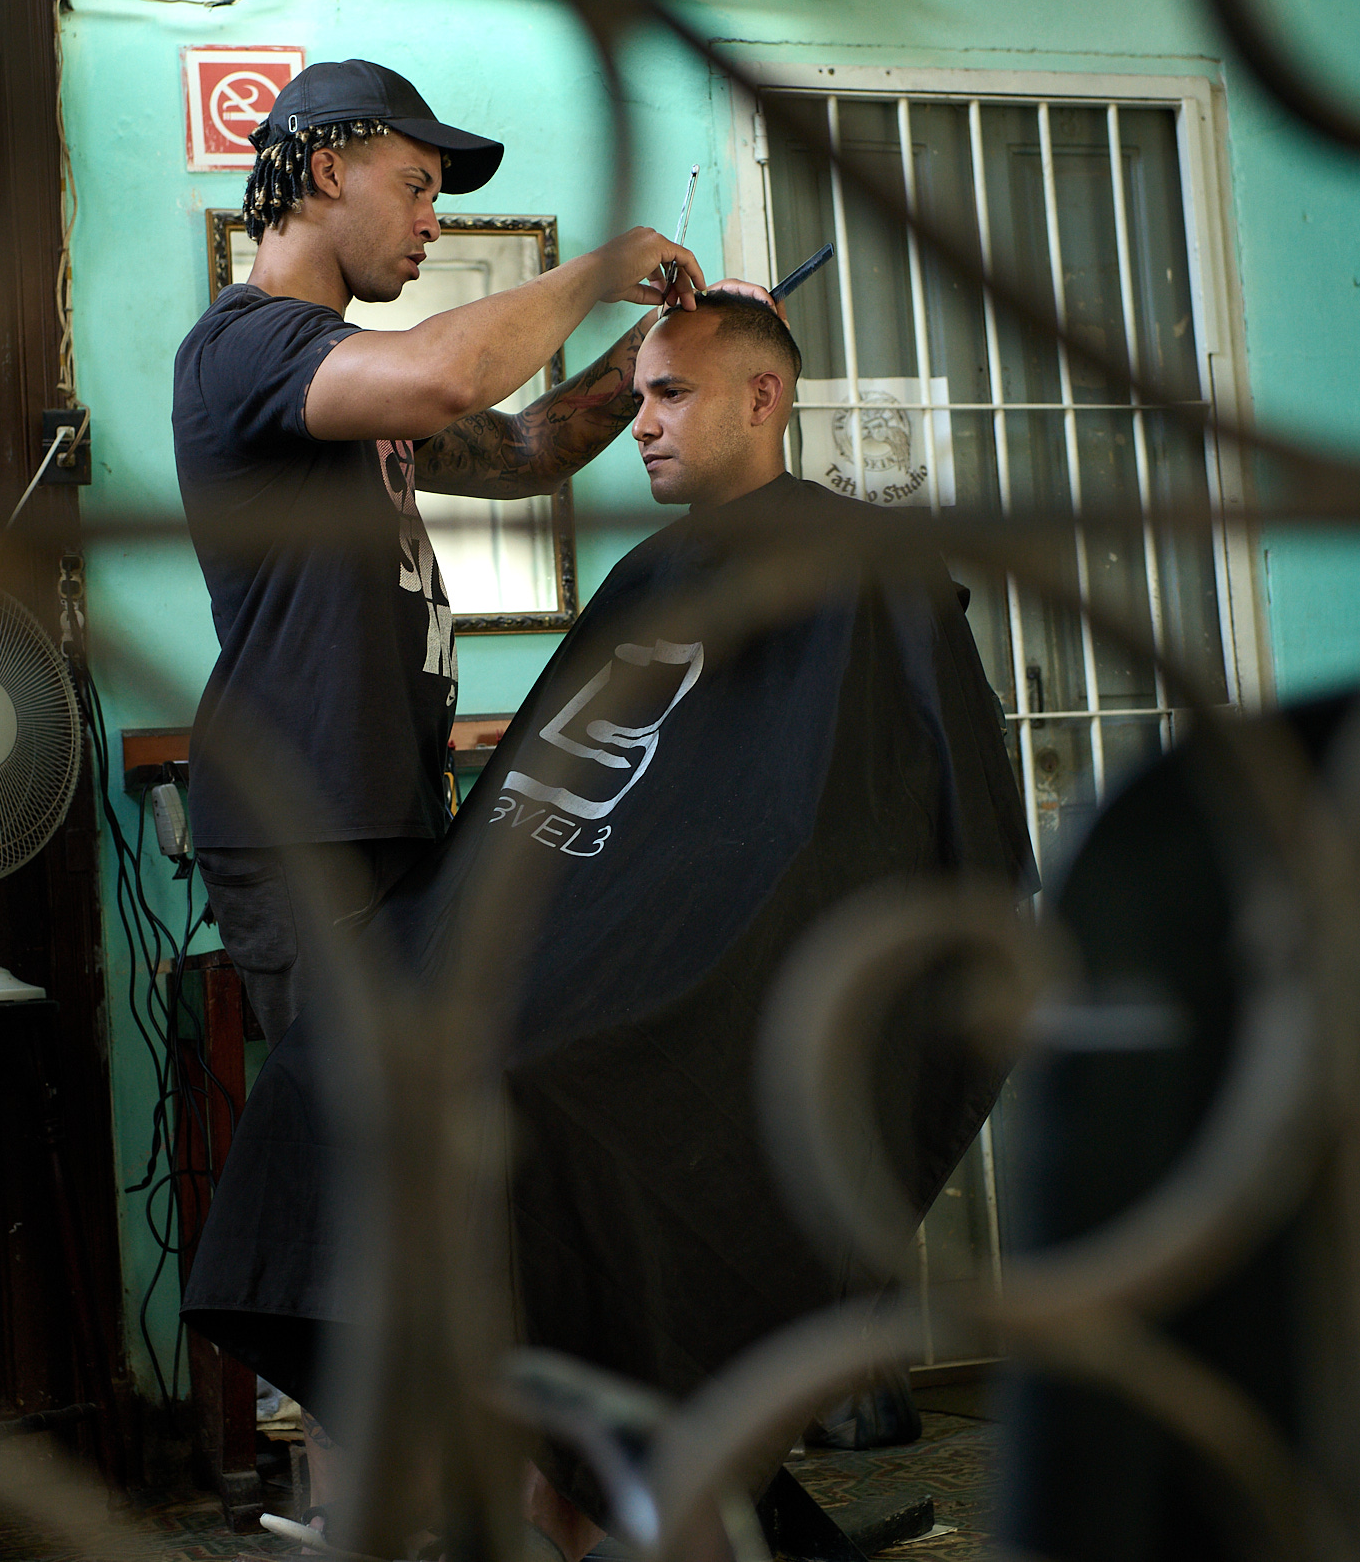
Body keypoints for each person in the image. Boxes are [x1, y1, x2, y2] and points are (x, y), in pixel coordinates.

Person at [185, 288, 1035, 1559]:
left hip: (717, 984)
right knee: (335, 1064)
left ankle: (593, 1484)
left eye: (669, 394)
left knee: (539, 1112)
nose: (639, 423)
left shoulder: (865, 567)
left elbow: (892, 823)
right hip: (586, 962)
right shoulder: (654, 572)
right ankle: (540, 1486)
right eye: (635, 396)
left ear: (764, 396)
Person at [174, 57, 713, 1048]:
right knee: (355, 1147)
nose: (433, 222)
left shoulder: (342, 379)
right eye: (415, 187)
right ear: (328, 170)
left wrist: (650, 351)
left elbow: (525, 448)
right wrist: (591, 272)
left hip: (388, 806)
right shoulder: (244, 344)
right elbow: (446, 375)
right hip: (307, 823)